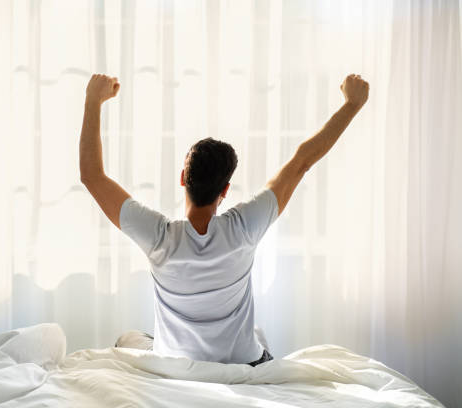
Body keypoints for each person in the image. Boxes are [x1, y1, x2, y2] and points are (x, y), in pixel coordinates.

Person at [79, 73, 369, 366]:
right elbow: (301, 163)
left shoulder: (158, 237)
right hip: (243, 363)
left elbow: (92, 176)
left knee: (126, 339)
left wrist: (93, 100)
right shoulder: (244, 227)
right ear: (225, 190)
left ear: (182, 179)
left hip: (177, 364)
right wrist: (352, 105)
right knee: (258, 335)